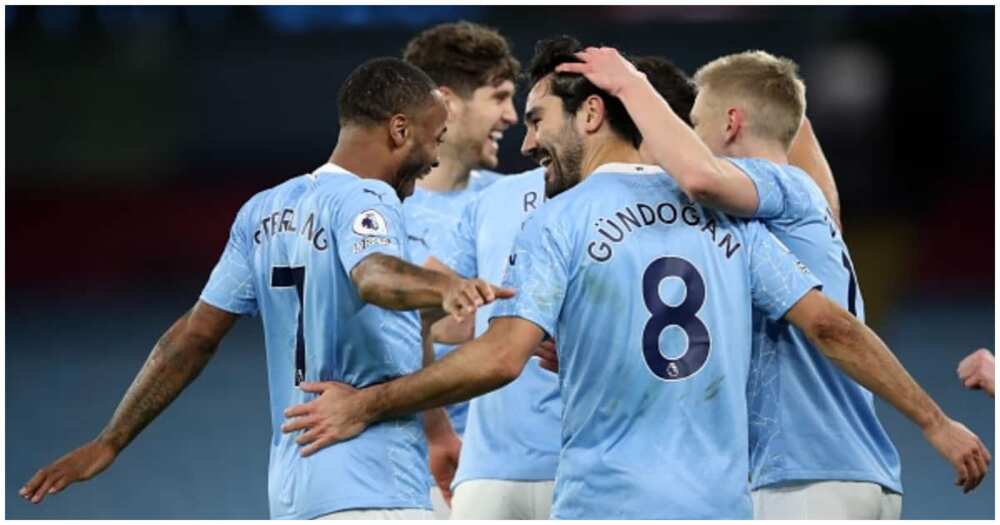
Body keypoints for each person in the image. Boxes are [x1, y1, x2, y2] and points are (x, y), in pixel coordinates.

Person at [278, 36, 989, 519]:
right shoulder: (731, 222)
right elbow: (826, 321)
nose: (528, 145)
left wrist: (369, 404)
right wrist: (933, 420)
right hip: (721, 503)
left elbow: (498, 357)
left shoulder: (558, 221)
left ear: (592, 113)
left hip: (605, 501)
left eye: (539, 122)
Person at [18, 57, 510, 520]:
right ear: (400, 130)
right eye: (434, 139)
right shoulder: (369, 197)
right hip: (375, 485)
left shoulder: (263, 211)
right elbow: (373, 274)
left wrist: (110, 440)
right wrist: (445, 284)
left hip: (296, 492)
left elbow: (191, 337)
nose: (433, 158)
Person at [556, 45, 992, 517]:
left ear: (731, 124)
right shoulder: (804, 212)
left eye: (697, 124)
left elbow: (701, 178)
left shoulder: (778, 184)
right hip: (848, 473)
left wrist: (629, 85)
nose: (690, 139)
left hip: (804, 479)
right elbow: (795, 131)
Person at [411, 54, 697, 520]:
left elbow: (432, 318)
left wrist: (431, 423)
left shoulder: (495, 200)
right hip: (600, 470)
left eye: (536, 119)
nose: (527, 140)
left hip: (489, 476)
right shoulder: (669, 210)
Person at [398, 20, 521, 516]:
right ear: (447, 103)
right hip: (412, 469)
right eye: (500, 97)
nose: (513, 116)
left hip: (506, 471)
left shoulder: (516, 201)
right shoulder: (375, 211)